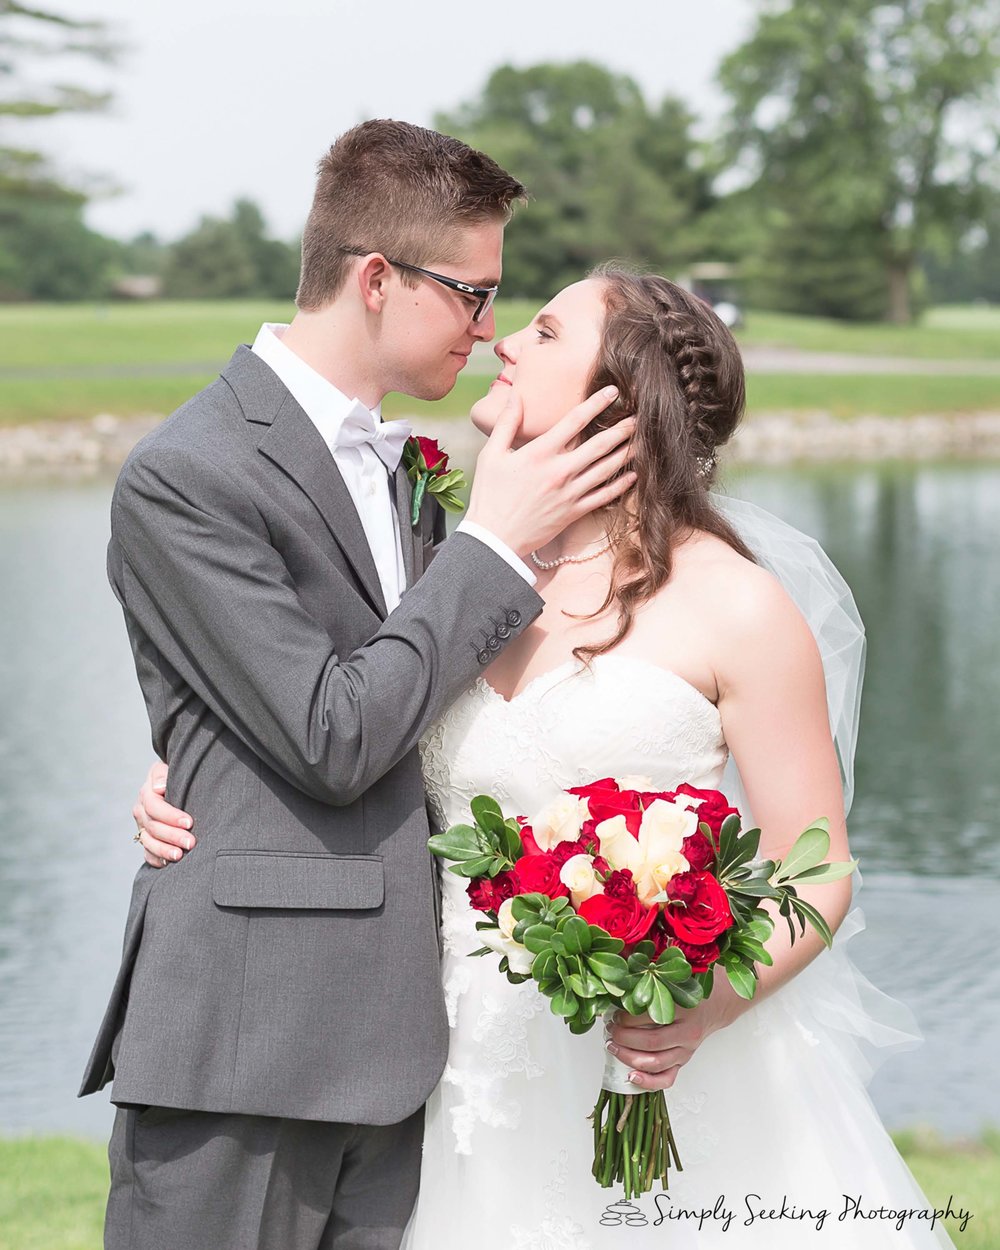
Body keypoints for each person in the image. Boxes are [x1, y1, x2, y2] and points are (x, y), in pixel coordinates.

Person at [131, 267, 955, 1248]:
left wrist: (703, 1006)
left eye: (546, 330)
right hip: (442, 1064)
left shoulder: (735, 603)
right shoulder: (446, 564)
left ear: (619, 397)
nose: (503, 340)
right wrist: (200, 772)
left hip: (645, 1058)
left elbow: (815, 866)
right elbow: (330, 710)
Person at [80, 119, 636, 1250]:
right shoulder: (186, 476)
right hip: (245, 1036)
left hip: (405, 1042)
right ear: (376, 279)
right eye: (471, 296)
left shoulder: (406, 467)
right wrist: (489, 544)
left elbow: (413, 689)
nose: (486, 334)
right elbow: (332, 732)